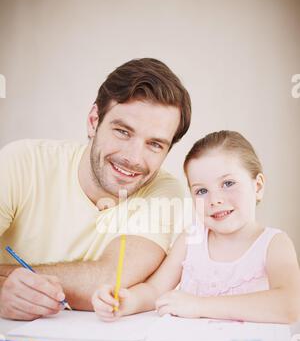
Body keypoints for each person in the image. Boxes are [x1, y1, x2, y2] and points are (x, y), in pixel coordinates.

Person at [0, 58, 192, 320]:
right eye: (123, 132)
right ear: (93, 121)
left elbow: (110, 280)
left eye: (155, 144)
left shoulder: (164, 192)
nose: (134, 158)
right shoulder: (21, 162)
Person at [93, 130, 300, 324]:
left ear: (258, 187)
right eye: (201, 191)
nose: (215, 200)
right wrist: (126, 301)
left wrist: (199, 305)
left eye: (228, 184)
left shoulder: (274, 244)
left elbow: (289, 305)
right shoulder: (191, 239)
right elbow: (155, 289)